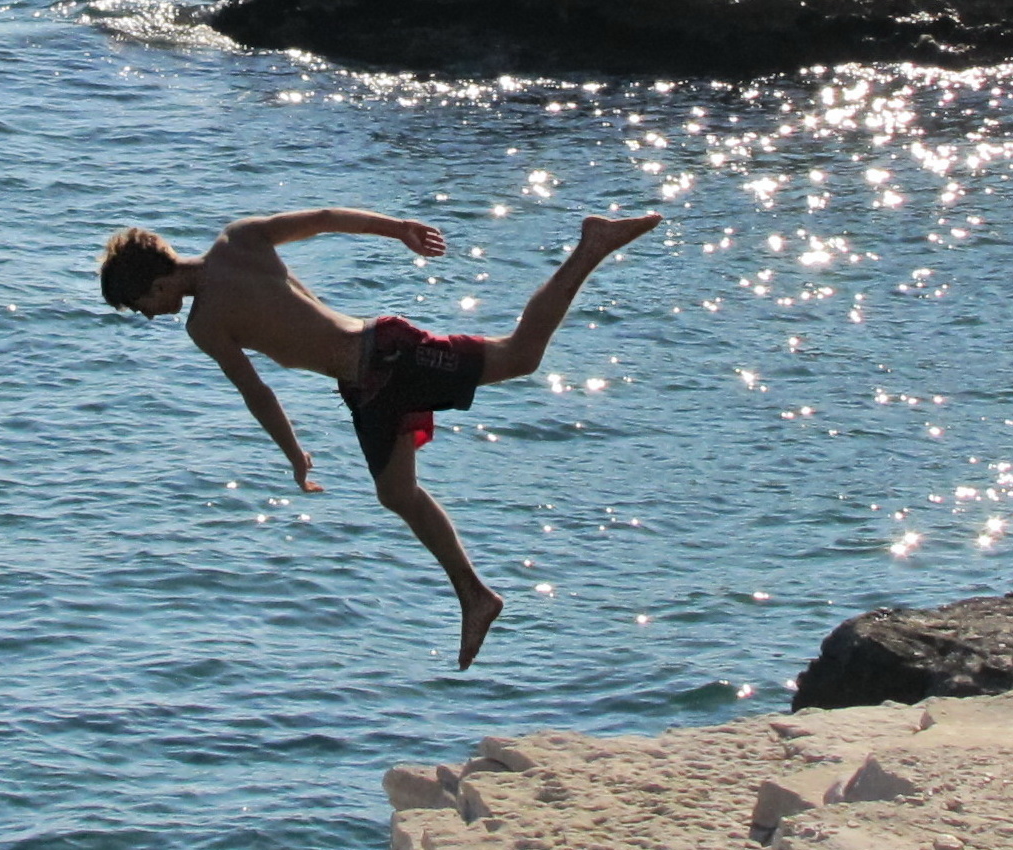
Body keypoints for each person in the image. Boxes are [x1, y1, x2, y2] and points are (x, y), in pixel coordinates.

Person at [98, 206, 660, 668]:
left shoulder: (207, 320)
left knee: (520, 356)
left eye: (142, 305)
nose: (149, 317)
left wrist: (294, 454)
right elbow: (323, 219)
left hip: (389, 357)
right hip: (365, 384)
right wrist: (398, 229)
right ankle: (476, 596)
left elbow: (258, 393)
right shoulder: (237, 240)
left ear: (160, 279)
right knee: (396, 494)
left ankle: (593, 245)